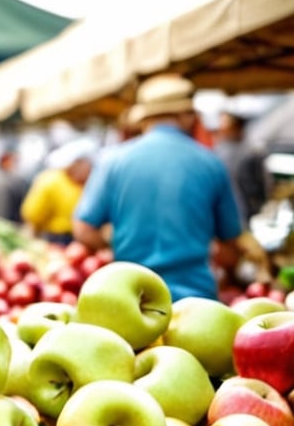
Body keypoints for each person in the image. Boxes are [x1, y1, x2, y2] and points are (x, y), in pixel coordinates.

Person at [73, 74, 244, 301]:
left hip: (132, 299)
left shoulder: (113, 162)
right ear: (186, 116)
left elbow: (83, 229)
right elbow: (231, 247)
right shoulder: (210, 163)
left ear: (144, 118)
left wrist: (115, 248)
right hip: (196, 301)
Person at [21, 138, 96, 245]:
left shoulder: (86, 183)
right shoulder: (50, 181)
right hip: (56, 239)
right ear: (76, 163)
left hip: (80, 239)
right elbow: (33, 217)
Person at [214, 110, 272, 228]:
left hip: (247, 209)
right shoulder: (219, 150)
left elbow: (263, 183)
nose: (222, 129)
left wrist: (259, 205)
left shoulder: (252, 151)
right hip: (226, 208)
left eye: (226, 125)